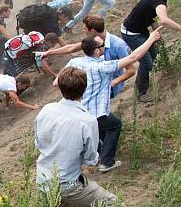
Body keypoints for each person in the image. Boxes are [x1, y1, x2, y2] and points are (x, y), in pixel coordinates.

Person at [61, 29, 162, 172]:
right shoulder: (101, 67)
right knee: (114, 126)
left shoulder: (74, 62)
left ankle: (100, 154)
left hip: (79, 110)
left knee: (99, 129)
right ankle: (106, 162)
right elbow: (134, 57)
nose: (104, 48)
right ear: (96, 51)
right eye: (101, 46)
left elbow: (56, 82)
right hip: (96, 111)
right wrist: (151, 39)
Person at [36, 66, 121, 207]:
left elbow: (39, 143)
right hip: (68, 184)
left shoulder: (46, 110)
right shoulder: (87, 120)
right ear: (85, 88)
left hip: (44, 180)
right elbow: (91, 159)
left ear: (60, 86)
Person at [121, 0, 181, 102]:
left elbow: (149, 14)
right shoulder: (159, 2)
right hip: (131, 34)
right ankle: (141, 93)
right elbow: (164, 21)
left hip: (140, 30)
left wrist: (155, 31)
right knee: (147, 63)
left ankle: (142, 83)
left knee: (153, 55)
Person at [40, 15, 134, 98]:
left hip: (108, 87)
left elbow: (131, 70)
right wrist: (49, 53)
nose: (83, 30)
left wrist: (114, 82)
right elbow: (72, 47)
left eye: (85, 29)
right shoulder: (93, 40)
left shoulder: (118, 45)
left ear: (92, 31)